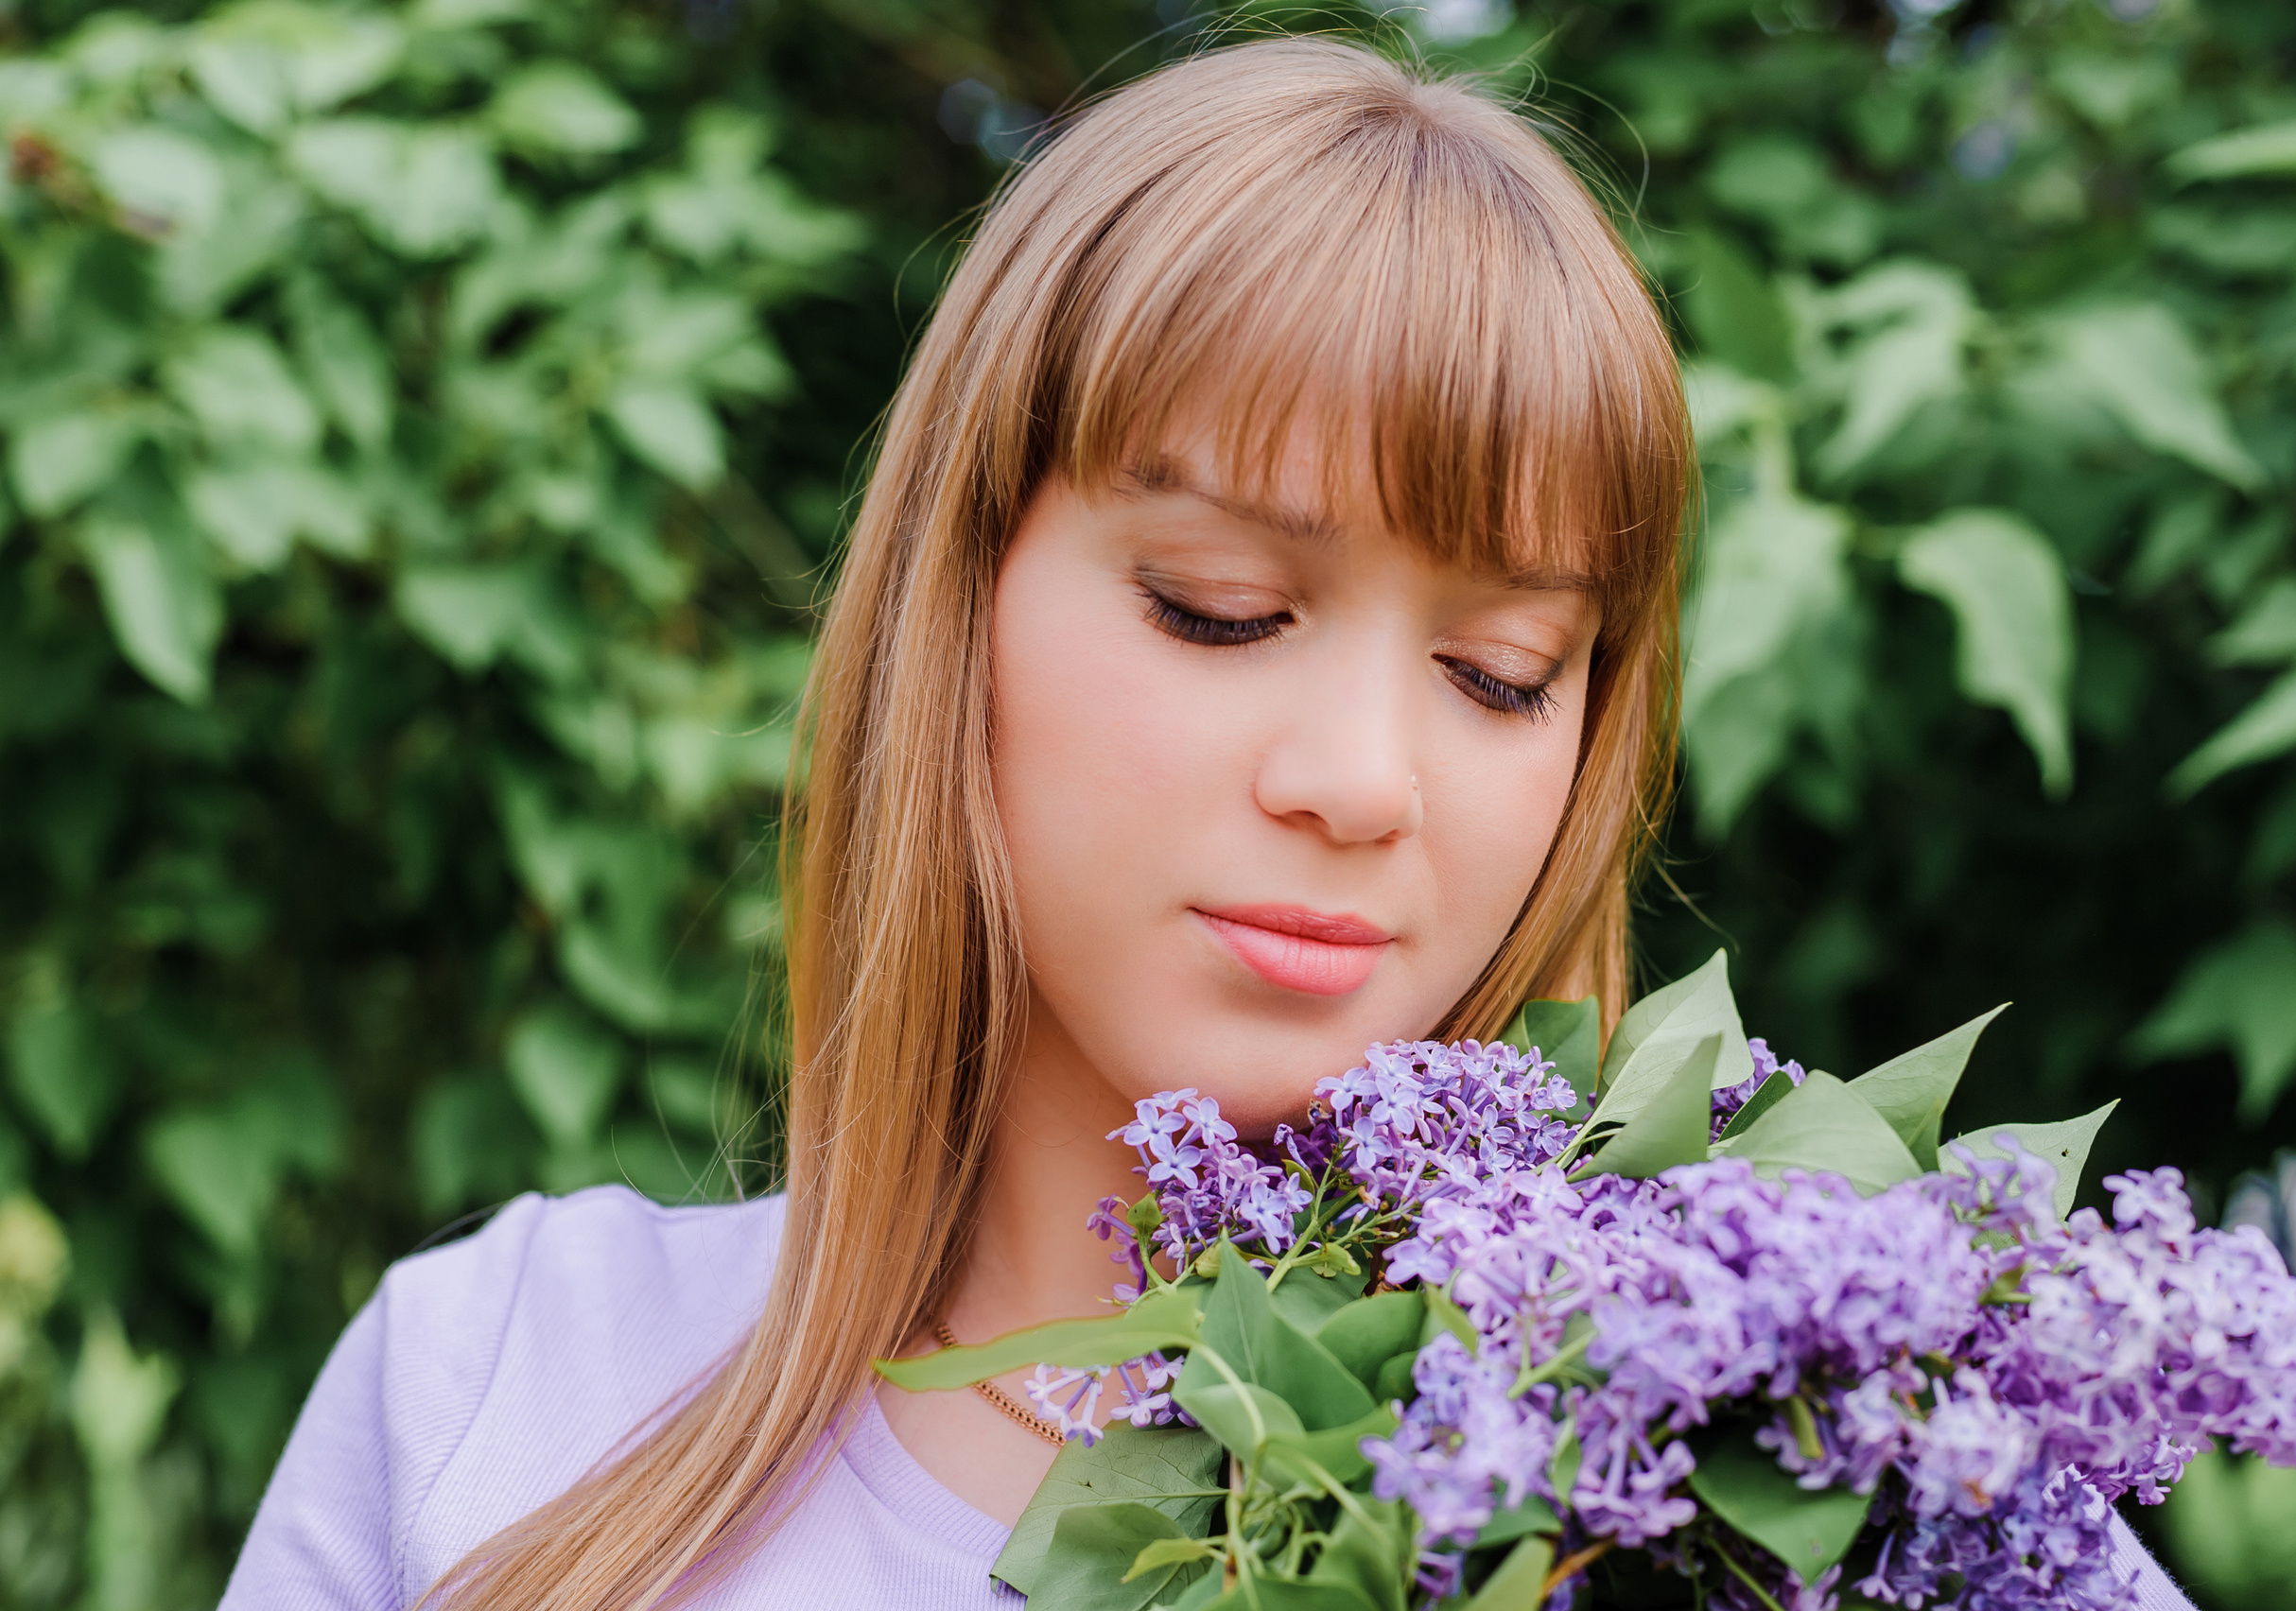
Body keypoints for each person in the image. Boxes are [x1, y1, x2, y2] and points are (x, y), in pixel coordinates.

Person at [220, 37, 2195, 1611]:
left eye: (1502, 669)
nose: (1358, 780)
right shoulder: (499, 1386)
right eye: (1220, 611)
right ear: (958, 604)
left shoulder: (1811, 1468)